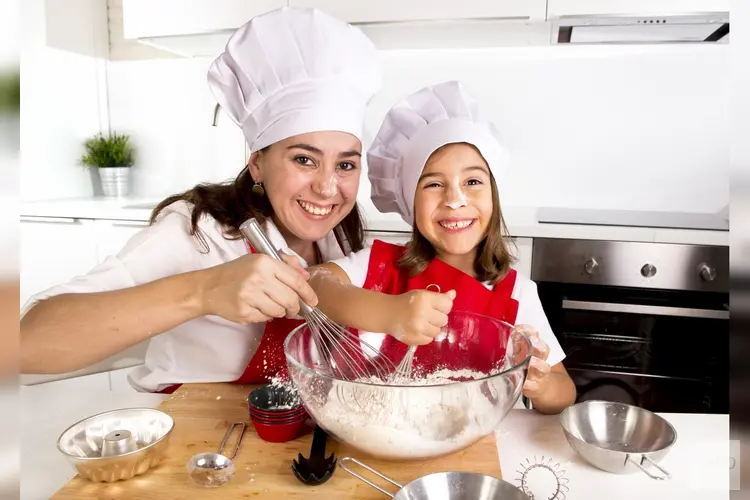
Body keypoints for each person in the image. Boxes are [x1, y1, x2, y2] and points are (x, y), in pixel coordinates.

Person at [19, 6, 382, 393]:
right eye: (304, 159)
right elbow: (27, 343)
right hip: (193, 439)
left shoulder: (340, 236)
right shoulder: (196, 232)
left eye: (345, 164)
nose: (327, 189)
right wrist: (204, 292)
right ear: (258, 163)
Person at [308, 81, 577, 414]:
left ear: (492, 194)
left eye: (473, 182)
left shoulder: (516, 293)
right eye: (434, 184)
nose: (454, 200)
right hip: (376, 433)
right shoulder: (380, 264)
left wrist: (542, 384)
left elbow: (564, 393)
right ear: (409, 200)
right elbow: (313, 283)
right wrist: (389, 313)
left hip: (472, 445)